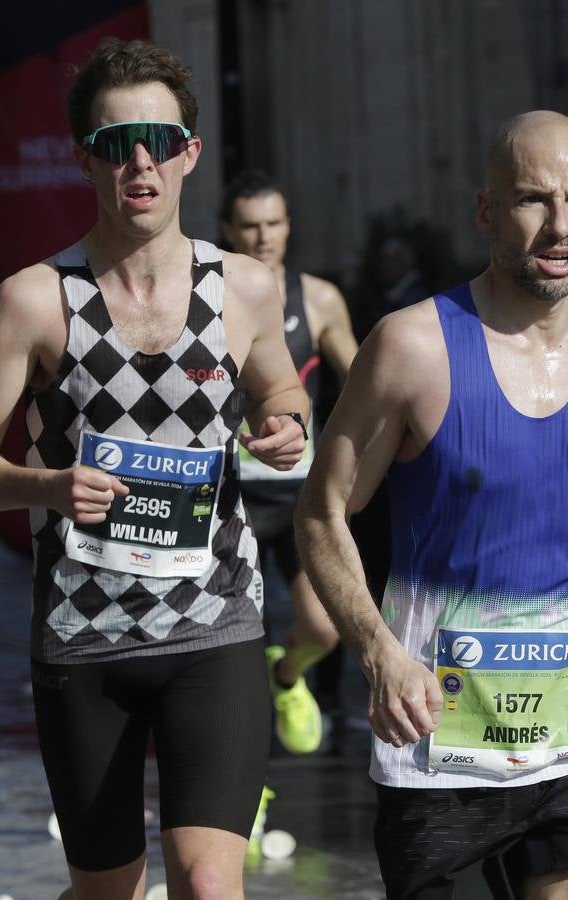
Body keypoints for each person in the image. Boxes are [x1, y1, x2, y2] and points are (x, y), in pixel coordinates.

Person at [295, 110, 568, 900]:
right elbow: (321, 513)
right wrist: (377, 652)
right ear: (487, 211)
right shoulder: (411, 348)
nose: (557, 225)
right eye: (532, 199)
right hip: (437, 752)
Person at [0, 39, 309, 900]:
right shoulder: (34, 299)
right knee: (108, 890)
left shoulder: (245, 290)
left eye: (156, 141)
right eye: (115, 144)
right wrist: (45, 486)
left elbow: (283, 391)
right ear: (85, 159)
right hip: (83, 633)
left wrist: (283, 427)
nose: (137, 163)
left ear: (188, 152)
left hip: (213, 622)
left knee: (207, 884)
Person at [218, 170, 357, 755]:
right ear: (229, 230)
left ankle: (286, 677)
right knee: (227, 643)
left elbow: (364, 383)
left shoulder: (318, 298)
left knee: (325, 628)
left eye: (273, 223)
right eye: (249, 226)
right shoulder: (210, 295)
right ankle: (239, 775)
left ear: (288, 226)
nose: (263, 236)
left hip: (300, 488)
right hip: (229, 489)